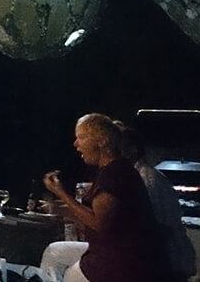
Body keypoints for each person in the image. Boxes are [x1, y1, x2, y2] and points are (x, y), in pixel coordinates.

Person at [38, 114, 166, 282]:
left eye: (81, 138)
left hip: (121, 261)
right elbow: (96, 213)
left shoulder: (116, 174)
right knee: (55, 253)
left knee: (71, 276)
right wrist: (56, 208)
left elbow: (99, 223)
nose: (76, 144)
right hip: (112, 250)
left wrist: (60, 192)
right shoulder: (111, 171)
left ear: (102, 141)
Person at [118, 124, 195, 282]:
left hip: (168, 263)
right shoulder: (137, 176)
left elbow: (158, 230)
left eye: (118, 146)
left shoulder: (146, 180)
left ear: (132, 150)